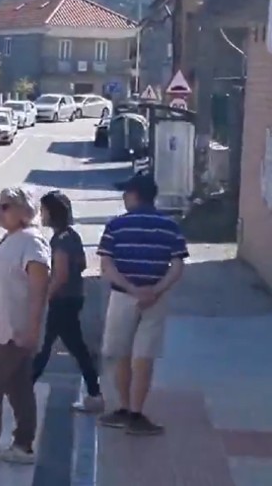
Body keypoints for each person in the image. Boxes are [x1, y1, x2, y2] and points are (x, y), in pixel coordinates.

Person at [96, 174, 188, 435]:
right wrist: (155, 290)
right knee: (144, 357)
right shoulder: (170, 226)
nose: (124, 197)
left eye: (126, 193)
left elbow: (107, 265)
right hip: (155, 300)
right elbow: (178, 265)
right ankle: (136, 414)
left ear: (135, 195)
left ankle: (124, 408)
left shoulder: (116, 226)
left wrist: (132, 289)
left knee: (120, 354)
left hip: (123, 297)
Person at [0, 187, 51, 467]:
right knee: (18, 388)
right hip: (3, 327)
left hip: (16, 330)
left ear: (23, 212)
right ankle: (22, 446)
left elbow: (40, 289)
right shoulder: (12, 238)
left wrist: (32, 329)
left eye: (5, 206)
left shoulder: (32, 242)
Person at [32, 190, 103, 412]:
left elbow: (60, 274)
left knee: (46, 347)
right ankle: (94, 392)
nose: (41, 215)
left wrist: (45, 296)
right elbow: (81, 265)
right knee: (72, 346)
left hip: (62, 301)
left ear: (52, 213)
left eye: (43, 210)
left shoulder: (60, 241)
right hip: (75, 297)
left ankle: (24, 390)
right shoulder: (72, 236)